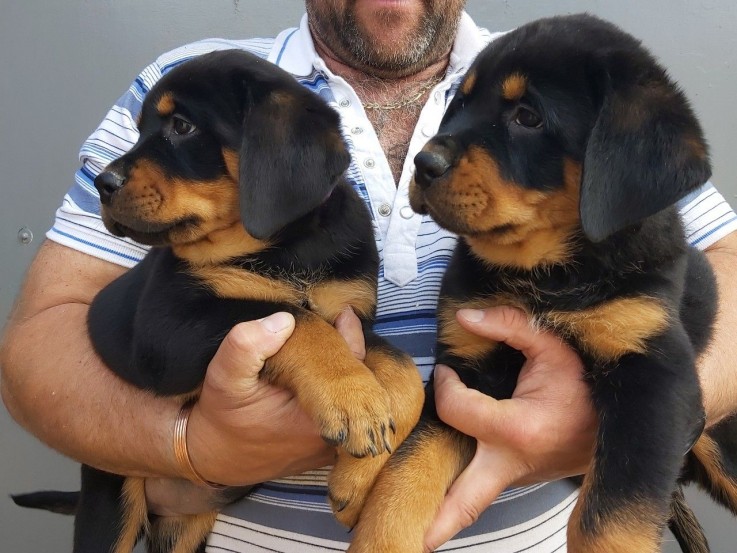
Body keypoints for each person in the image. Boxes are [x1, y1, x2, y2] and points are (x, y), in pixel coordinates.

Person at [2, 1, 737, 551]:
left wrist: (614, 423)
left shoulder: (563, 71)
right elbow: (39, 347)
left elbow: (724, 277)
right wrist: (186, 444)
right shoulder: (192, 84)